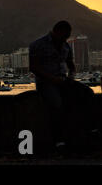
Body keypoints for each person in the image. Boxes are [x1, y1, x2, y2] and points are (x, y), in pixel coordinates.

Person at [29, 20, 98, 153]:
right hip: (46, 83)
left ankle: (92, 130)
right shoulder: (38, 45)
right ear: (57, 32)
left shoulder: (65, 46)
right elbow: (34, 68)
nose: (65, 39)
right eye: (64, 36)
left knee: (88, 92)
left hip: (63, 81)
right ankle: (59, 140)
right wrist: (52, 79)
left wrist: (71, 77)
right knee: (56, 104)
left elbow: (71, 65)